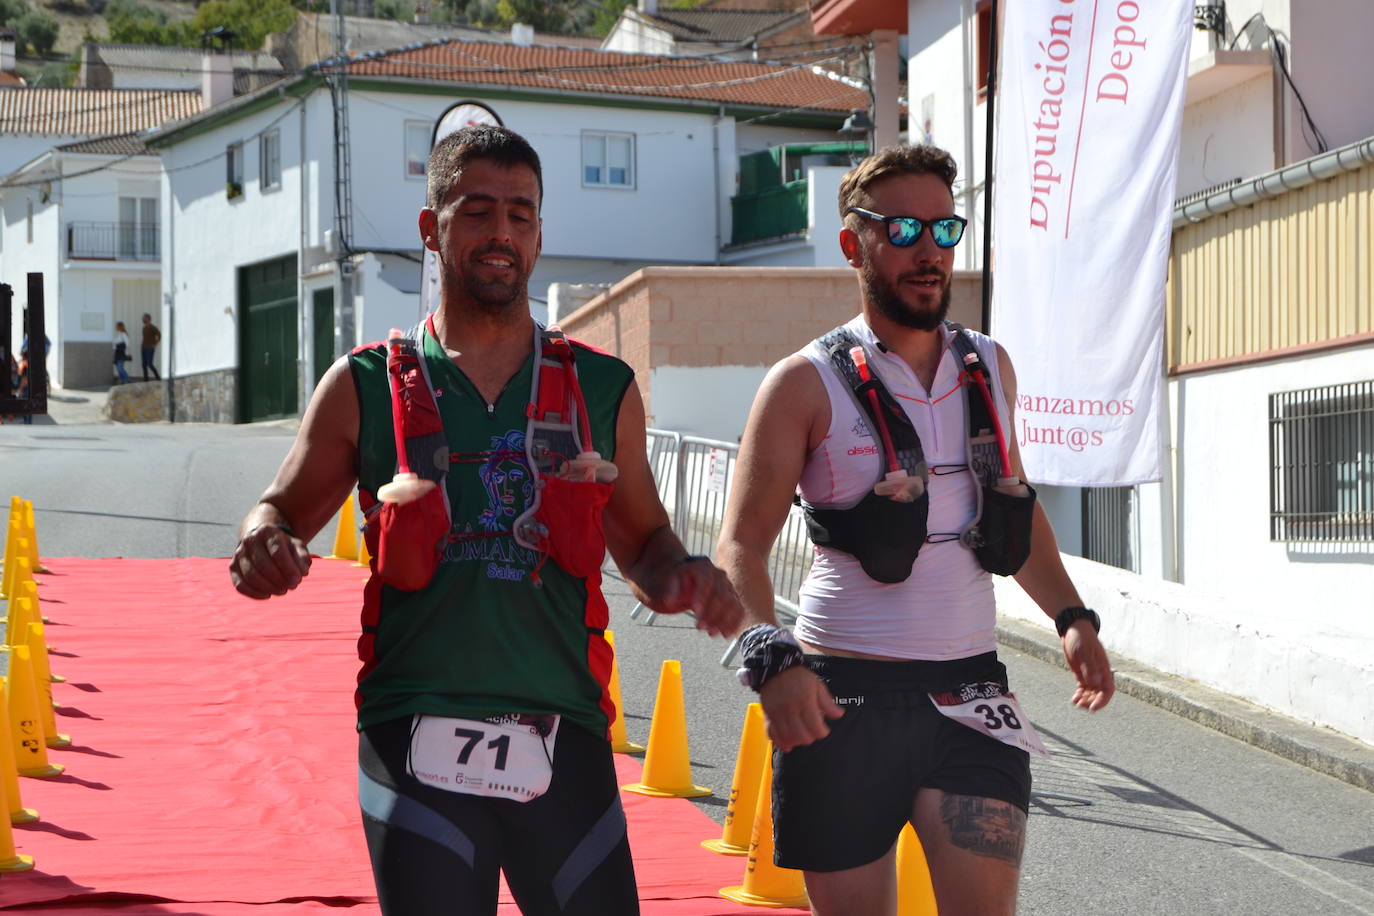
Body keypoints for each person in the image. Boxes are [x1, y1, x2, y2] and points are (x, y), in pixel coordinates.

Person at [228, 125, 742, 916]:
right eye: (476, 211)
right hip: (414, 726)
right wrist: (264, 543)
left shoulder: (601, 390)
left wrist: (682, 576)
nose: (501, 233)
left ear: (539, 232)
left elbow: (643, 540)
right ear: (432, 228)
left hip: (562, 727)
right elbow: (280, 511)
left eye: (521, 214)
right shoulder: (363, 385)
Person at [716, 144, 1115, 916]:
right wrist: (773, 663)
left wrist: (1071, 617)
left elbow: (1015, 512)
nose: (928, 249)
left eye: (943, 228)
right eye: (901, 230)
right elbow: (740, 549)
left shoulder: (991, 365)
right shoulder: (804, 382)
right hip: (843, 700)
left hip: (970, 694)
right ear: (851, 244)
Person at [140, 312, 161, 380]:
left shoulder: (152, 327)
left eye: (144, 318)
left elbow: (159, 335)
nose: (143, 319)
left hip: (150, 348)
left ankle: (158, 378)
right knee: (144, 364)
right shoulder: (144, 327)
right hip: (143, 347)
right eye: (143, 318)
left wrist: (155, 344)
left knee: (149, 364)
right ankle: (146, 379)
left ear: (148, 319)